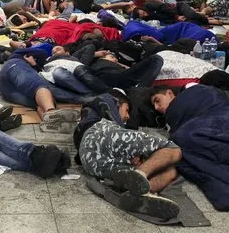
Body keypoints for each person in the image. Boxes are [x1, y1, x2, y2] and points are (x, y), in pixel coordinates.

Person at [76, 89, 181, 219]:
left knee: (171, 170)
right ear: (117, 103)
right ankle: (140, 175)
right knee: (174, 149)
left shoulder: (87, 115)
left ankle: (142, 194)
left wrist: (140, 155)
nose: (127, 117)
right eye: (126, 110)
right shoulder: (108, 100)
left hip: (89, 160)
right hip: (102, 132)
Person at [0, 47, 94, 132]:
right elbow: (42, 52)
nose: (54, 52)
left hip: (6, 90)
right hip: (15, 66)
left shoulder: (71, 59)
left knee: (38, 102)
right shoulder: (18, 54)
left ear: (67, 52)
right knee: (38, 86)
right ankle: (50, 112)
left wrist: (35, 64)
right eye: (53, 51)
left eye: (58, 49)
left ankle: (48, 123)